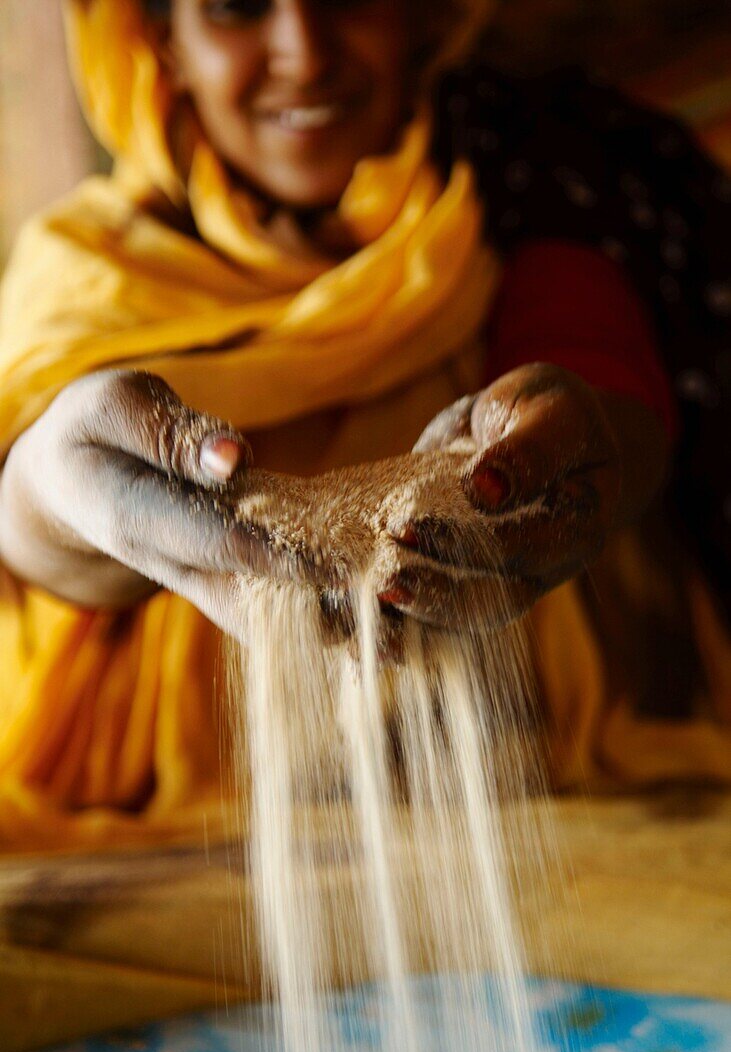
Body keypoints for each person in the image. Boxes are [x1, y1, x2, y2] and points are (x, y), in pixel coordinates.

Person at [0, 0, 729, 858]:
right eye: (236, 7)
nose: (303, 53)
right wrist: (54, 495)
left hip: (539, 826)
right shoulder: (90, 270)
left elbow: (605, 394)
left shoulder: (532, 193)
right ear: (161, 37)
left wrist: (563, 465)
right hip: (171, 841)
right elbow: (28, 527)